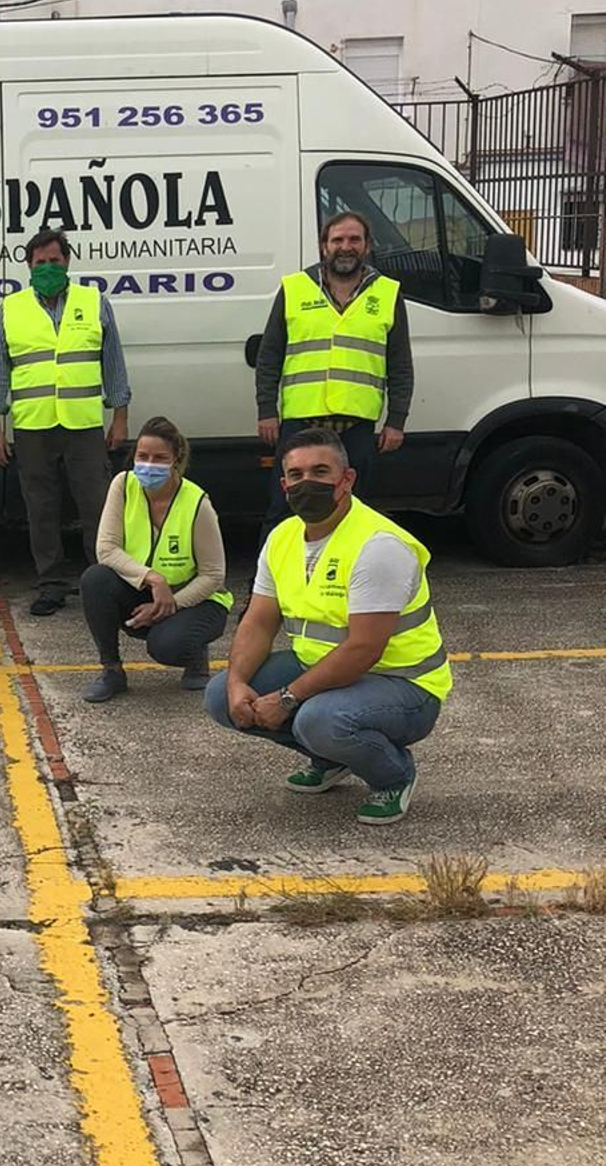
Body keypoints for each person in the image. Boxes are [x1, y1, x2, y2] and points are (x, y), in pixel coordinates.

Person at [205, 426, 452, 825]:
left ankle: (394, 774)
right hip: (325, 672)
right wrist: (237, 683)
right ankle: (331, 758)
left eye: (321, 472)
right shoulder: (283, 537)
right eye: (297, 475)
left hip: (403, 684)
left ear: (347, 479)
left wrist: (286, 698)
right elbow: (259, 621)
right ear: (283, 484)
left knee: (318, 719)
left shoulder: (379, 546)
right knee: (220, 697)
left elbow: (363, 649)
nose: (308, 483)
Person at [0, 230, 131, 616]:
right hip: (34, 427)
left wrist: (120, 417)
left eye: (55, 260)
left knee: (98, 506)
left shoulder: (93, 302)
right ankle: (50, 584)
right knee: (41, 508)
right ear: (29, 265)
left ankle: (103, 580)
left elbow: (112, 361)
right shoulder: (11, 308)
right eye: (40, 262)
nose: (48, 268)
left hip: (84, 425)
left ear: (68, 261)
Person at [254, 210, 413, 539]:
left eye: (354, 239)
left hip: (356, 426)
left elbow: (399, 363)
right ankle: (267, 589)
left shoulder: (386, 293)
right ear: (323, 246)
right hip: (300, 423)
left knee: (352, 511)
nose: (346, 246)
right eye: (337, 239)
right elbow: (269, 356)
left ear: (367, 246)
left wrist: (396, 419)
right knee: (284, 511)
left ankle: (343, 582)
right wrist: (266, 410)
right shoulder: (295, 288)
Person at [79, 415, 231, 702]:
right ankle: (111, 671)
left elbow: (213, 575)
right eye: (142, 456)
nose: (149, 464)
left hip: (195, 600)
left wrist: (170, 604)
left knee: (166, 647)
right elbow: (106, 549)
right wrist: (153, 579)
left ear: (176, 459)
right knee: (95, 579)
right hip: (145, 590)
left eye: (160, 457)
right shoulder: (123, 485)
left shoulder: (198, 503)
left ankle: (195, 654)